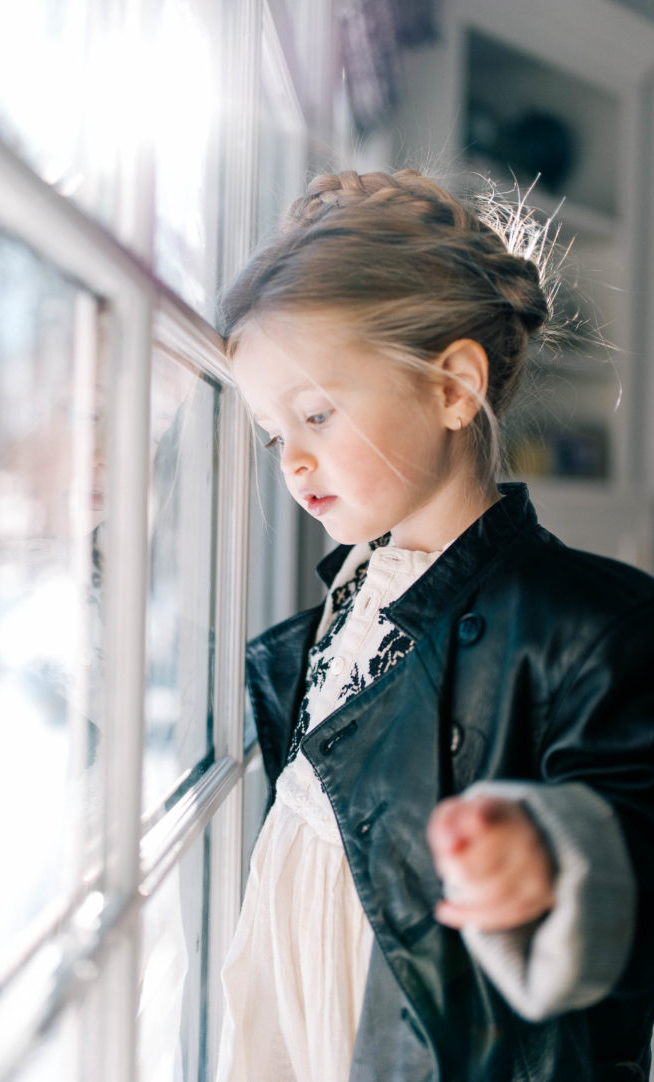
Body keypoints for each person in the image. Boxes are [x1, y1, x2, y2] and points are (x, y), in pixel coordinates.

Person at [214, 169, 654, 1082]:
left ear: (454, 388)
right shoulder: (340, 611)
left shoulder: (591, 623)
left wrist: (550, 851)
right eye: (271, 432)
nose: (291, 459)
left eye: (318, 413)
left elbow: (635, 824)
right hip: (296, 1017)